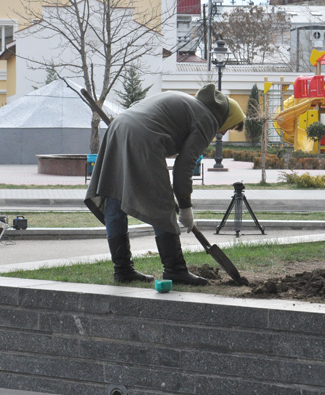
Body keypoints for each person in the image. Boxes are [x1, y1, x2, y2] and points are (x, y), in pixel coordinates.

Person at [85, 84, 246, 286]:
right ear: (225, 119)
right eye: (228, 128)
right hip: (143, 137)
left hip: (119, 127)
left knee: (115, 198)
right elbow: (184, 168)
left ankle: (123, 270)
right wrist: (186, 207)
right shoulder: (207, 119)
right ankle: (175, 270)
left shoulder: (184, 99)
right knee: (163, 205)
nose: (222, 133)